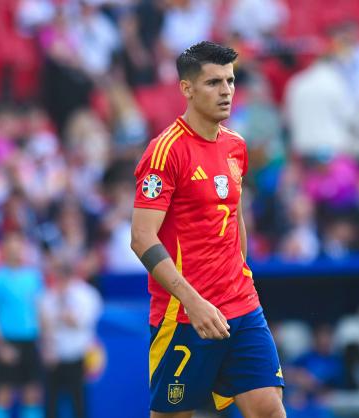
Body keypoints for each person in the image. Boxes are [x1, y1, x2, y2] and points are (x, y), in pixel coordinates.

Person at [130, 41, 285, 417]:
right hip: (184, 314)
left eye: (230, 81)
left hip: (241, 305)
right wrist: (193, 301)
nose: (227, 91)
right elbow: (141, 237)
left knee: (268, 409)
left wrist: (240, 273)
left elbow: (235, 214)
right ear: (187, 89)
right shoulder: (165, 151)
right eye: (214, 82)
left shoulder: (236, 146)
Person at [0, 231, 45, 418]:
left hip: (30, 341)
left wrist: (44, 340)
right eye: (11, 248)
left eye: (19, 248)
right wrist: (0, 346)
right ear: (4, 251)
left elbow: (39, 310)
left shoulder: (33, 277)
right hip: (8, 341)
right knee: (2, 395)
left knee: (32, 394)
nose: (16, 252)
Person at [40, 257, 102, 418]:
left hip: (78, 355)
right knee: (51, 403)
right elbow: (44, 325)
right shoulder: (48, 296)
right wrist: (48, 348)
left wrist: (69, 315)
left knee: (78, 402)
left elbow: (85, 321)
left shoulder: (86, 294)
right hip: (54, 356)